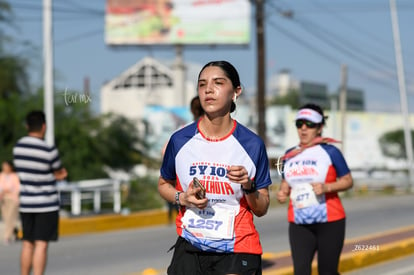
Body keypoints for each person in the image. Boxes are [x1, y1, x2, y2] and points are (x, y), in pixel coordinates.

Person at [158, 60, 272, 275]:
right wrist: (182, 198)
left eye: (218, 82)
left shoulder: (252, 144)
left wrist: (248, 185)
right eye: (202, 85)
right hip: (190, 245)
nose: (208, 89)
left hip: (237, 248)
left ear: (236, 92)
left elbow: (262, 207)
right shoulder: (179, 140)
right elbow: (164, 184)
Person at [276, 103, 353, 275]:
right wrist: (282, 192)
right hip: (299, 223)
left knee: (327, 271)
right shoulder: (289, 154)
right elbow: (286, 182)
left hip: (330, 221)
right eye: (299, 124)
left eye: (309, 124)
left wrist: (327, 187)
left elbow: (348, 181)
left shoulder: (330, 151)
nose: (303, 128)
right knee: (301, 271)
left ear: (319, 128)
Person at [13, 110, 68, 275]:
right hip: (46, 204)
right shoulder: (48, 150)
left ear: (27, 126)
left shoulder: (18, 147)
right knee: (41, 244)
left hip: (27, 203)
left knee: (27, 243)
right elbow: (59, 172)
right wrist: (59, 174)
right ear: (44, 126)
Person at [166, 95, 204, 224]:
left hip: (186, 182)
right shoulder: (220, 130)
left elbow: (165, 152)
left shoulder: (183, 130)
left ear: (192, 110)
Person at [0, 160, 20, 245]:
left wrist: (8, 190)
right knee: (6, 218)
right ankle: (15, 231)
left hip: (13, 199)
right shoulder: (1, 175)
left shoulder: (15, 176)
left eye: (6, 166)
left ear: (10, 167)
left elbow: (18, 188)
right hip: (3, 199)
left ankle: (7, 237)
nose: (5, 168)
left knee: (10, 217)